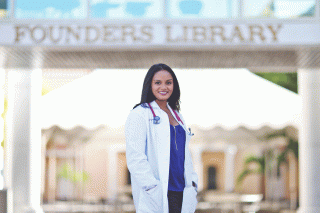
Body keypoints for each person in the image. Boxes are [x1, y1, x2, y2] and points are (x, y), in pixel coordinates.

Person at [125, 63, 198, 213]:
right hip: (159, 193)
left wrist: (193, 183)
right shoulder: (139, 114)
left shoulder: (178, 115)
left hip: (182, 192)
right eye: (158, 82)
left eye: (168, 83)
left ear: (174, 85)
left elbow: (185, 153)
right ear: (149, 85)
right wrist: (152, 187)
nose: (163, 87)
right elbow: (135, 158)